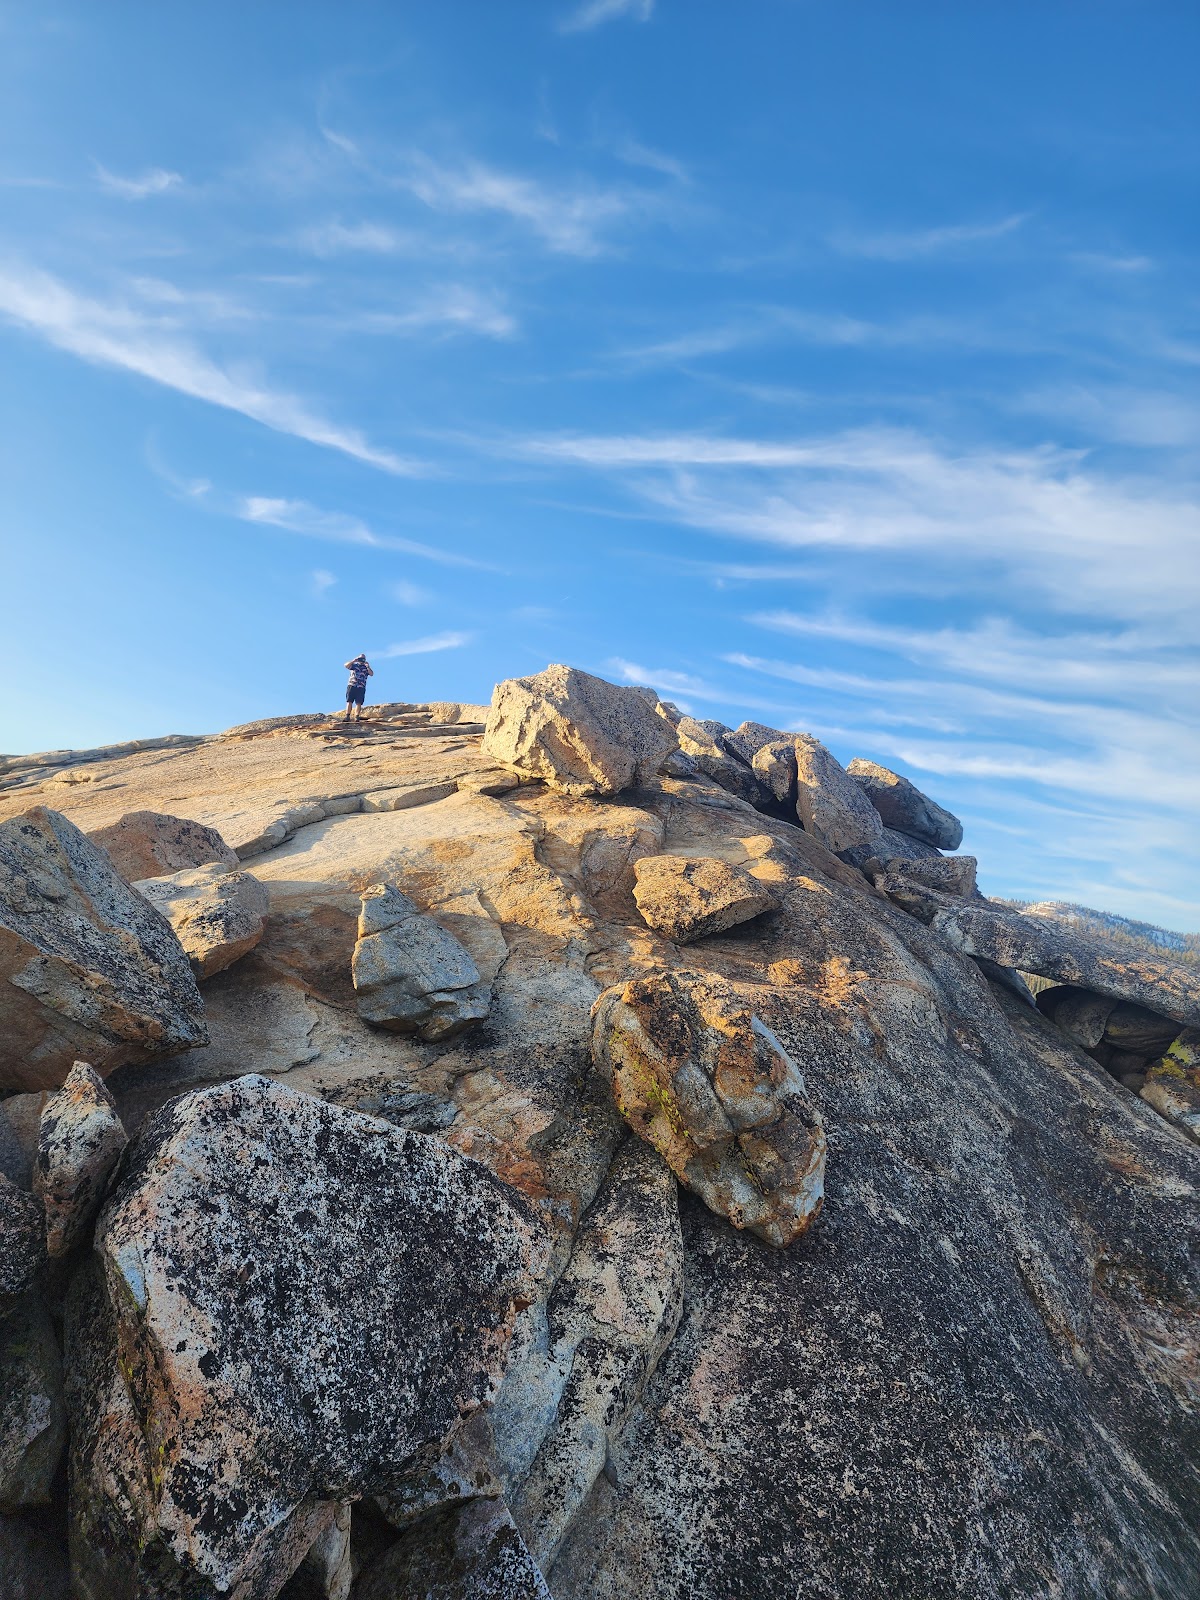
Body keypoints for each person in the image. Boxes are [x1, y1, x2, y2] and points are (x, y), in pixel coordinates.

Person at [343, 654, 374, 721]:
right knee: (349, 701)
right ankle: (347, 716)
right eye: (360, 658)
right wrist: (354, 660)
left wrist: (368, 666)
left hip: (361, 686)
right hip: (352, 685)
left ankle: (357, 716)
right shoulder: (354, 665)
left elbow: (371, 674)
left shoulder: (365, 667)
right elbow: (346, 665)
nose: (361, 660)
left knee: (359, 702)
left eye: (363, 659)